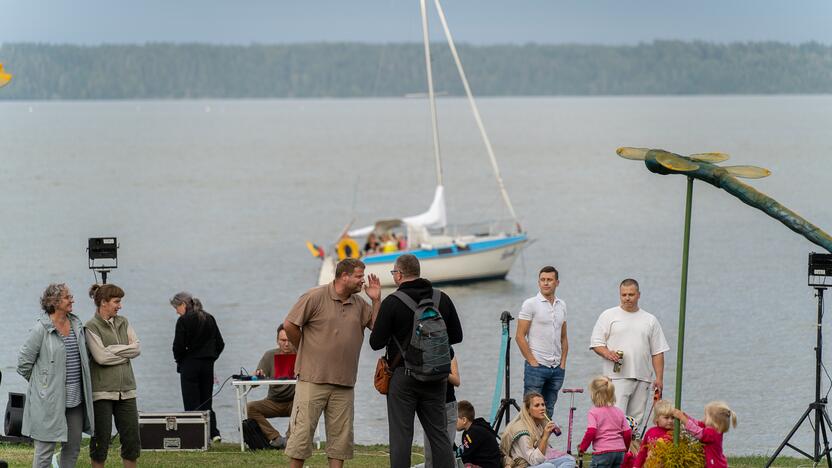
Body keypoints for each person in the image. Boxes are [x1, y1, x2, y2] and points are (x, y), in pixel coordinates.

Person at [283, 258, 381, 468]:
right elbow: (289, 324)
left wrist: (375, 300)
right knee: (301, 436)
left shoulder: (360, 304)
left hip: (344, 383)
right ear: (343, 276)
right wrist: (304, 348)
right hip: (312, 379)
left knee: (341, 441)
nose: (362, 281)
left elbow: (378, 329)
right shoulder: (315, 297)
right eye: (358, 276)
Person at [369, 253, 464, 468]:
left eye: (394, 272)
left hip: (403, 377)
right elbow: (456, 337)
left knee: (402, 436)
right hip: (437, 377)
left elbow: (376, 342)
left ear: (399, 275)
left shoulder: (393, 302)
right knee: (439, 435)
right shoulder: (442, 298)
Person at [17, 284, 95, 468]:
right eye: (68, 297)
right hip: (49, 402)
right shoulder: (40, 329)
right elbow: (23, 365)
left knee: (73, 448)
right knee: (44, 453)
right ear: (54, 302)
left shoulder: (77, 324)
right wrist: (44, 386)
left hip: (75, 401)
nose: (72, 300)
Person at [589, 278, 669, 428]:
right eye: (624, 295)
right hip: (616, 377)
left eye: (631, 295)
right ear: (620, 295)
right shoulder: (608, 315)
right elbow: (596, 343)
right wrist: (608, 353)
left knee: (635, 420)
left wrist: (659, 378)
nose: (627, 298)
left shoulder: (650, 320)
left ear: (639, 295)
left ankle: (632, 450)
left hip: (643, 376)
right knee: (616, 416)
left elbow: (658, 351)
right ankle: (614, 448)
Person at [85, 283, 141, 468]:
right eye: (116, 301)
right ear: (103, 302)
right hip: (102, 393)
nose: (120, 306)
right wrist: (124, 354)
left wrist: (113, 350)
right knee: (101, 441)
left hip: (127, 391)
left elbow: (137, 349)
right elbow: (100, 358)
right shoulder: (91, 326)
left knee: (132, 440)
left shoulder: (123, 321)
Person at [170, 291, 225, 442]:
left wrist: (180, 360)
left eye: (176, 307)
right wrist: (211, 358)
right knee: (206, 400)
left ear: (183, 304)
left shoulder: (183, 321)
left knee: (191, 401)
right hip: (208, 364)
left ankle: (195, 435)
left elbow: (178, 347)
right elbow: (220, 344)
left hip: (189, 365)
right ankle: (214, 433)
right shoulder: (209, 318)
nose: (176, 311)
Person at [517, 266, 568, 418]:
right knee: (530, 412)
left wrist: (563, 363)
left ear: (557, 282)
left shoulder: (562, 305)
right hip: (537, 367)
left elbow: (564, 337)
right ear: (539, 282)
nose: (546, 283)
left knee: (548, 411)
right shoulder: (530, 304)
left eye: (549, 280)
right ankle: (528, 442)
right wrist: (532, 361)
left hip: (556, 368)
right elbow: (520, 336)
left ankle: (543, 442)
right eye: (543, 280)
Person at [247, 323, 297, 449]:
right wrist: (258, 376)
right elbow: (254, 384)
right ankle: (275, 438)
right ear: (277, 340)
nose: (286, 344)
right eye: (283, 340)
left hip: (294, 402)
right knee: (249, 407)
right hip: (273, 401)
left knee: (307, 404)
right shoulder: (270, 355)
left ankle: (290, 439)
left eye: (289, 340)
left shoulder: (302, 354)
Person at [500, 392, 576, 468]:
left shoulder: (538, 424)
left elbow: (541, 453)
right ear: (528, 409)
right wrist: (545, 437)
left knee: (569, 459)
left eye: (543, 405)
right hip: (522, 466)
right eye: (537, 405)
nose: (542, 408)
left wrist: (546, 434)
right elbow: (534, 461)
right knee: (549, 466)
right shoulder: (522, 430)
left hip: (536, 463)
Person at [577, 376, 632, 468]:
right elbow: (627, 433)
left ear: (594, 394)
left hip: (602, 453)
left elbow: (591, 432)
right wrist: (625, 448)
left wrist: (583, 448)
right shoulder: (619, 411)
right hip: (620, 452)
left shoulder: (593, 412)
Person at [422, 348, 460, 467]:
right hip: (430, 406)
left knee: (447, 449)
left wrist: (442, 371)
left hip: (449, 405)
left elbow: (457, 381)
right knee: (429, 452)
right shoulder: (423, 350)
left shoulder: (448, 350)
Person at [672, 402, 737, 468]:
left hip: (715, 465)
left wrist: (683, 419)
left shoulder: (712, 433)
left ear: (712, 421)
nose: (704, 418)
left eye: (706, 416)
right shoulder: (714, 430)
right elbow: (697, 424)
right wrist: (686, 417)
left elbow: (697, 432)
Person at [456, 400, 501, 468]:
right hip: (492, 463)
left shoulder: (473, 433)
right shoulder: (476, 427)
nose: (453, 422)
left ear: (464, 420)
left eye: (455, 419)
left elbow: (466, 456)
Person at [632, 400, 673, 468]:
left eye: (673, 418)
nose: (670, 420)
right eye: (666, 418)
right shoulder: (650, 432)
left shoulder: (673, 434)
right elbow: (643, 451)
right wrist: (636, 466)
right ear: (657, 418)